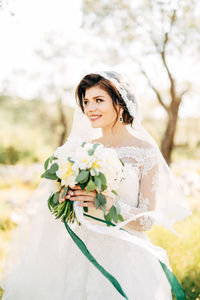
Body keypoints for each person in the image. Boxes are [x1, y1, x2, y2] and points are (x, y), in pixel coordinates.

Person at [1, 71, 191, 300]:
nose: (90, 108)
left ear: (120, 104)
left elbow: (147, 220)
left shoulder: (145, 152)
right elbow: (60, 208)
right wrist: (65, 197)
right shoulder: (80, 150)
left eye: (98, 100)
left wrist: (109, 205)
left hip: (125, 255)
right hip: (78, 251)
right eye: (86, 102)